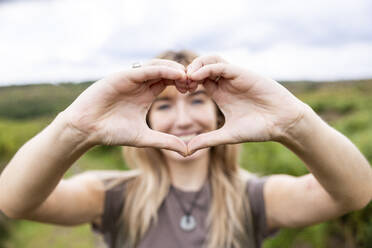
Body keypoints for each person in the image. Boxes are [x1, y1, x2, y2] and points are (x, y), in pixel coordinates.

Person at [0, 50, 371, 248]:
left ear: (219, 114)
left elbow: (356, 192)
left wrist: (295, 123)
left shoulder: (255, 197)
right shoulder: (112, 196)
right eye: (163, 105)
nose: (182, 119)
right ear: (143, 119)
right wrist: (75, 128)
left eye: (197, 102)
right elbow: (14, 201)